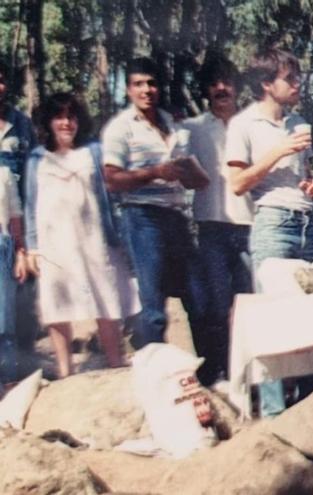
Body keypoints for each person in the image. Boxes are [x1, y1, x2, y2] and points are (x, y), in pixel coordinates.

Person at [225, 48, 313, 417]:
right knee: (272, 319)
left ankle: (311, 408)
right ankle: (274, 414)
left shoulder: (299, 122)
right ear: (266, 84)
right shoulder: (243, 125)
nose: (298, 84)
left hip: (307, 223)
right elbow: (237, 183)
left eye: (298, 77)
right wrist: (278, 151)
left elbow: (303, 175)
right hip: (272, 223)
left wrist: (312, 186)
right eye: (289, 79)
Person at [101, 57, 210, 353]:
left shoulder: (172, 123)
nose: (146, 90)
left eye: (151, 83)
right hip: (141, 218)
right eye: (138, 84)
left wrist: (192, 174)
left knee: (198, 299)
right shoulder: (120, 128)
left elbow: (192, 180)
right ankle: (155, 376)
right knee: (154, 307)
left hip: (176, 217)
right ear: (128, 90)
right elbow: (110, 179)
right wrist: (154, 173)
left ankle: (210, 378)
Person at [25, 93, 138, 378]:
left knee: (105, 296)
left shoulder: (94, 151)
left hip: (93, 238)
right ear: (49, 122)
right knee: (55, 303)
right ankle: (65, 370)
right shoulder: (36, 158)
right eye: (59, 117)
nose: (66, 123)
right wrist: (32, 247)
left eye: (71, 117)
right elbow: (29, 205)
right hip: (54, 244)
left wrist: (119, 237)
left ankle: (115, 360)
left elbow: (109, 197)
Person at [182, 54, 254, 386]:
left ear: (237, 87)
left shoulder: (252, 125)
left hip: (251, 227)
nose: (221, 88)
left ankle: (251, 379)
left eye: (227, 82)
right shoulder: (192, 129)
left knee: (251, 307)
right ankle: (221, 376)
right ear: (206, 90)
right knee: (216, 307)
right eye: (214, 83)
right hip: (210, 228)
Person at [0, 60, 39, 379]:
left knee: (21, 297)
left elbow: (34, 174)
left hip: (18, 220)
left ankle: (20, 372)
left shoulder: (22, 124)